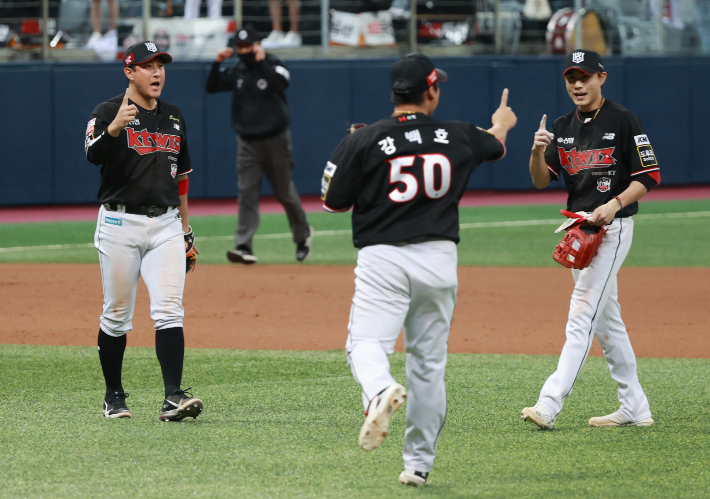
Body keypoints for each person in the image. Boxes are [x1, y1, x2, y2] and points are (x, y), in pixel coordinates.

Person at [321, 53, 517, 486]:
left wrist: (354, 151)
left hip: (383, 259)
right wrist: (502, 121)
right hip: (440, 260)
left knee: (366, 342)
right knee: (428, 365)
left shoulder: (366, 139)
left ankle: (377, 391)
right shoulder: (459, 135)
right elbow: (495, 144)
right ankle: (418, 465)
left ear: (395, 94)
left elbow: (332, 201)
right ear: (431, 91)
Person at [521, 49, 661, 429]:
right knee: (605, 322)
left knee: (581, 312)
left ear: (602, 77)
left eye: (585, 77)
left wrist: (614, 204)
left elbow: (649, 175)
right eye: (571, 78)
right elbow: (539, 179)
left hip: (612, 229)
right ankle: (635, 407)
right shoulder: (564, 126)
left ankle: (548, 404)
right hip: (579, 231)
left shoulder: (624, 119)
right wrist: (536, 151)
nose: (578, 84)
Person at [85, 41, 204, 422]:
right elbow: (92, 153)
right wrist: (115, 129)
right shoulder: (106, 112)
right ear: (129, 72)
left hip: (166, 224)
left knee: (170, 310)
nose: (157, 73)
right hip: (120, 223)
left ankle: (173, 396)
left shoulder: (174, 116)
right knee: (117, 315)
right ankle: (113, 395)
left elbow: (181, 179)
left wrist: (186, 230)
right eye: (148, 66)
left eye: (161, 66)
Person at [206, 26, 312, 264]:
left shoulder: (274, 64)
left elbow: (280, 85)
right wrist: (216, 63)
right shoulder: (238, 69)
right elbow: (212, 87)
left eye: (247, 46)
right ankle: (243, 245)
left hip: (276, 140)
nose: (243, 51)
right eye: (239, 47)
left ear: (258, 45)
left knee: (285, 193)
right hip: (248, 143)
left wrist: (263, 63)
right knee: (247, 193)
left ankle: (302, 238)